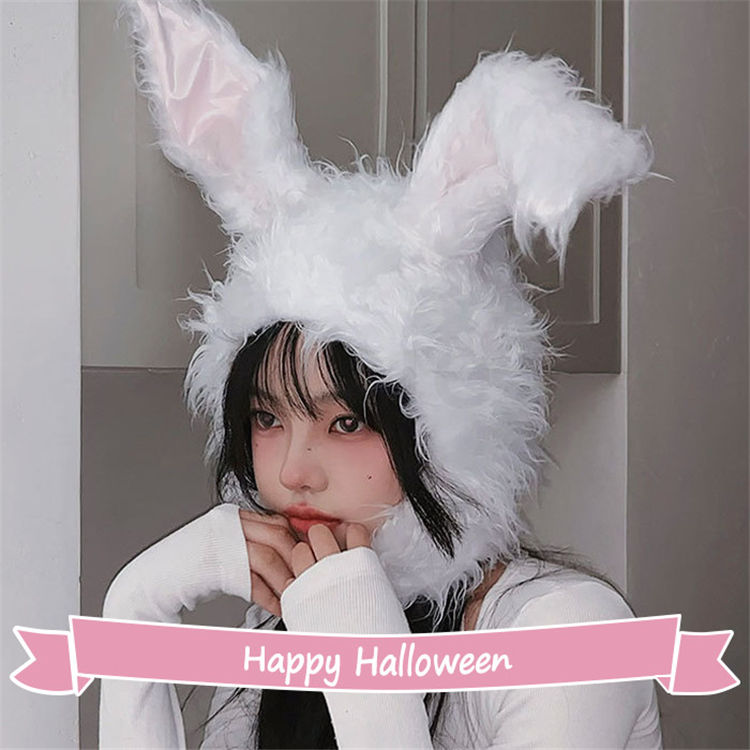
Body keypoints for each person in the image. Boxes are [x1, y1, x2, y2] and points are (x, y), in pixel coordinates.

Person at [101, 0, 663, 747]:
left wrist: (357, 652)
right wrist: (135, 610)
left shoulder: (569, 638)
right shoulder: (290, 623)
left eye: (346, 421)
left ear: (446, 434)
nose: (293, 472)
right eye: (267, 418)